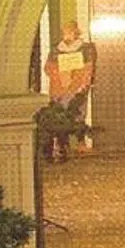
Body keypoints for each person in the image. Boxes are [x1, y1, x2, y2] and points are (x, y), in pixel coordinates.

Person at [47, 20, 97, 156]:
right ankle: (62, 146)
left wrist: (79, 83)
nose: (67, 34)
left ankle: (80, 143)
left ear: (76, 31)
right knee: (60, 115)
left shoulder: (85, 48)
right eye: (65, 31)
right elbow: (49, 67)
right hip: (59, 89)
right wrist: (61, 77)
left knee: (78, 114)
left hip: (77, 88)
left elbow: (88, 67)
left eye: (70, 31)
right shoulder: (56, 49)